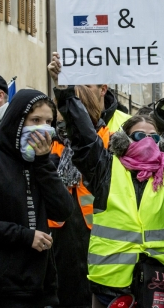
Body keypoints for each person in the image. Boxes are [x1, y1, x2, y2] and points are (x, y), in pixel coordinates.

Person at [55, 85, 164, 308]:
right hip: (111, 283)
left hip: (158, 280)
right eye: (139, 135)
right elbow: (84, 138)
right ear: (124, 140)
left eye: (153, 137)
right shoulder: (105, 168)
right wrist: (66, 93)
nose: (147, 141)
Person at [0, 89, 74, 308]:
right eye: (35, 120)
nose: (43, 127)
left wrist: (42, 164)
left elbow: (63, 210)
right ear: (18, 121)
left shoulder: (39, 163)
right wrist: (24, 236)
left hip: (41, 285)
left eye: (48, 121)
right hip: (2, 286)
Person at [47, 53, 164, 132]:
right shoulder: (60, 122)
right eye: (74, 85)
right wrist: (62, 84)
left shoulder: (130, 124)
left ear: (103, 89)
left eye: (87, 85)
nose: (80, 90)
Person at [49, 85, 111, 308]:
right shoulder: (52, 141)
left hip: (95, 232)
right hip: (59, 233)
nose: (60, 115)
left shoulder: (107, 139)